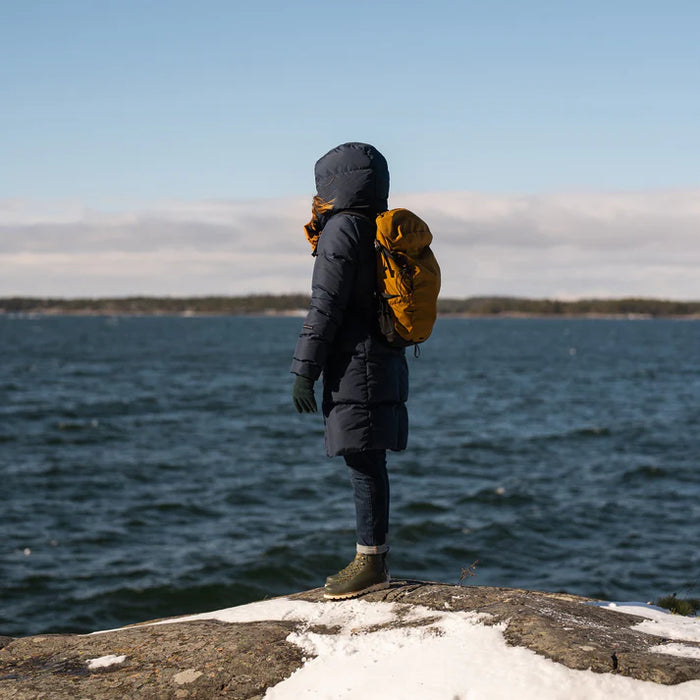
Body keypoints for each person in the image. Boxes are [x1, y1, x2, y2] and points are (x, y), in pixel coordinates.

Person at [291, 142, 409, 600]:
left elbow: (326, 305)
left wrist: (305, 370)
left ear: (334, 185)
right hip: (382, 358)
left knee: (363, 461)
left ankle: (371, 561)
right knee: (368, 459)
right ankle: (372, 556)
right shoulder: (375, 227)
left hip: (355, 364)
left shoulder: (341, 229)